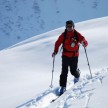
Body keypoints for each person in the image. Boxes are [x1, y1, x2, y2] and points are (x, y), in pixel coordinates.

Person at [52, 20, 88, 95]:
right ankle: (63, 87)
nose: (69, 28)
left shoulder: (76, 34)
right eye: (67, 26)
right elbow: (57, 43)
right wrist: (55, 51)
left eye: (70, 26)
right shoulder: (63, 35)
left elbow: (83, 39)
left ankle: (77, 75)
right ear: (66, 27)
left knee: (72, 71)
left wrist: (84, 43)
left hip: (74, 56)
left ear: (73, 26)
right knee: (64, 72)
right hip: (65, 55)